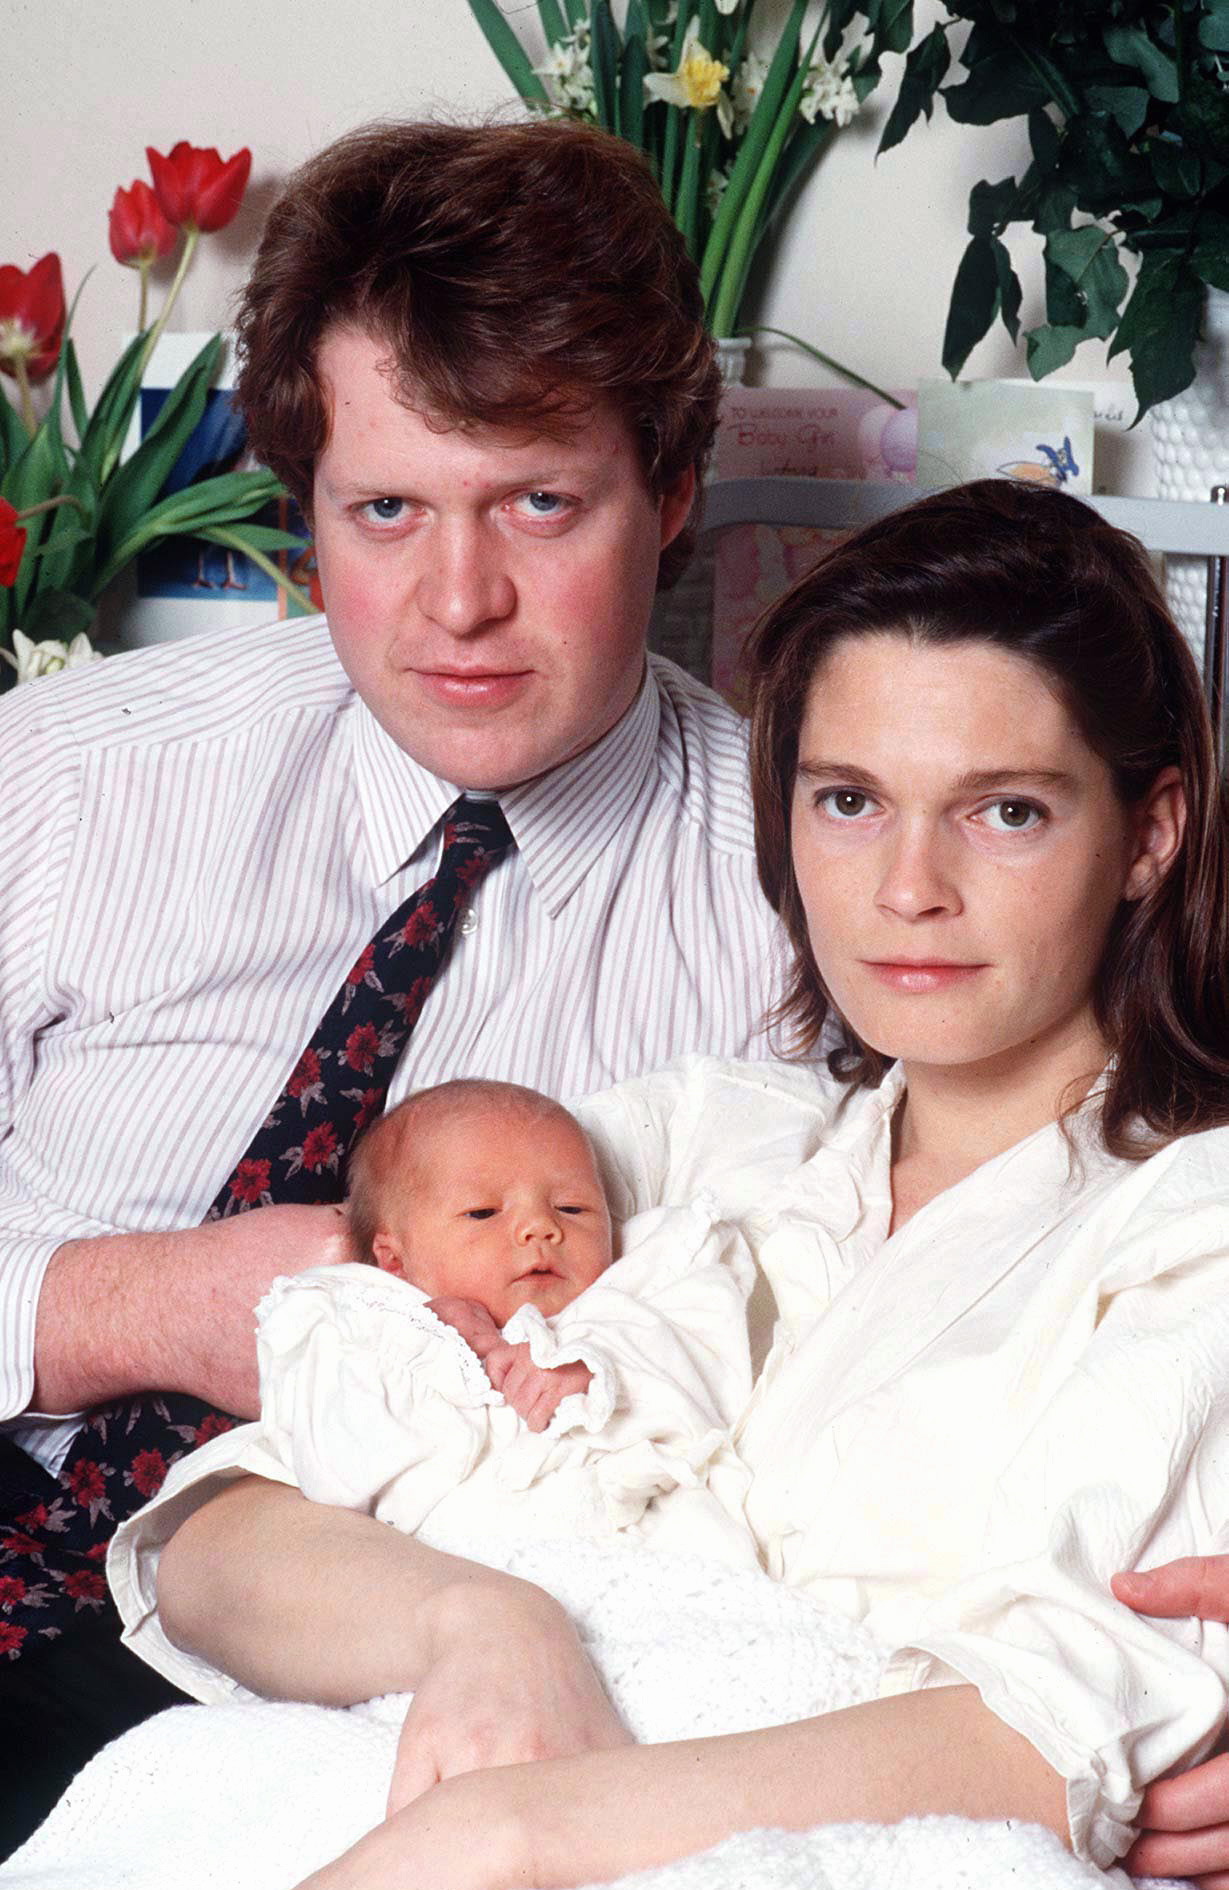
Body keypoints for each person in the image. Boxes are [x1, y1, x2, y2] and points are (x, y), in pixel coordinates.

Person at [61, 476, 1228, 1890]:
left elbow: (1054, 1734)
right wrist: (483, 1628)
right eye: (850, 799)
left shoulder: (1187, 1222)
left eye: (1007, 813)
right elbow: (224, 1530)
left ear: (1150, 833)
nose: (908, 886)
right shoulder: (699, 1138)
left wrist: (508, 1832)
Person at [0, 117, 782, 1846]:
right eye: (384, 511)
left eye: (538, 503)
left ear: (666, 494)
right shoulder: (63, 779)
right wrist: (120, 1307)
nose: (459, 600)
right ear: (306, 513)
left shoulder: (802, 902)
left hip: (338, 1648)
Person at [233, 1076, 755, 1558]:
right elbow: (337, 1468)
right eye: (483, 1212)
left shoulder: (637, 1290)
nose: (540, 1228)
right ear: (396, 1259)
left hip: (644, 1553)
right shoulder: (359, 1318)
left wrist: (596, 1372)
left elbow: (714, 1371)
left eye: (573, 1208)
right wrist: (439, 1344)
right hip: (454, 1584)